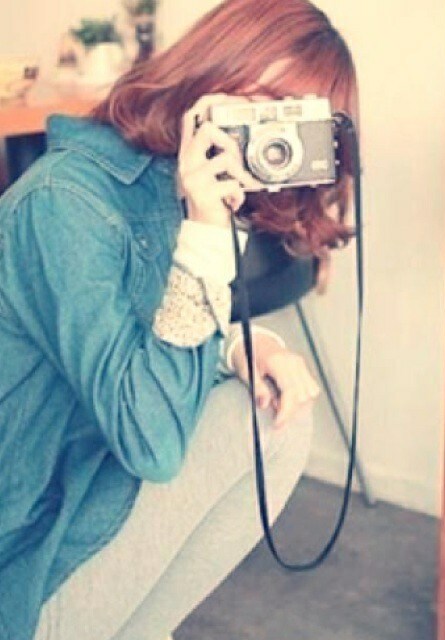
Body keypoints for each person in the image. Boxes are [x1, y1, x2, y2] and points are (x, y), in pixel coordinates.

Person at [0, 0, 358, 639]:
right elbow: (152, 441)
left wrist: (239, 347)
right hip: (21, 563)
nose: (270, 137)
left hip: (82, 481)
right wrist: (207, 232)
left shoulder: (173, 188)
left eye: (296, 122)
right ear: (212, 73)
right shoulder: (64, 201)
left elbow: (137, 330)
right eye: (264, 106)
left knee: (277, 408)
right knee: (254, 426)